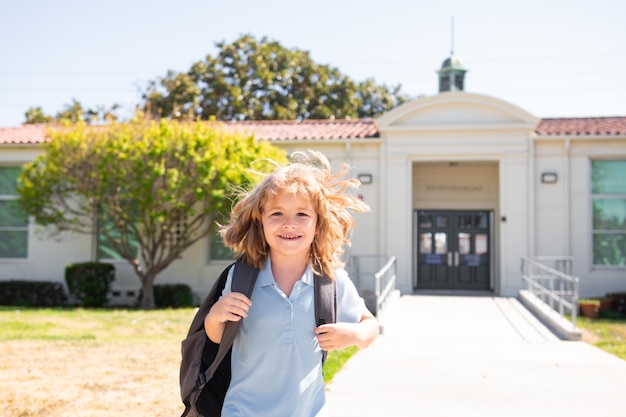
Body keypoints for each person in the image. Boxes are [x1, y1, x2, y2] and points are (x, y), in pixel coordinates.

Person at [203, 150, 379, 417]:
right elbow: (219, 337)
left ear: (318, 224)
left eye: (301, 214)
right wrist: (215, 315)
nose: (289, 224)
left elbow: (371, 326)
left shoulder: (330, 280)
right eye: (277, 214)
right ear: (260, 221)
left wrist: (354, 334)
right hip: (243, 410)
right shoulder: (242, 277)